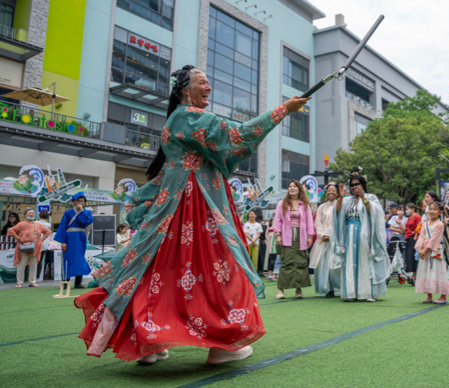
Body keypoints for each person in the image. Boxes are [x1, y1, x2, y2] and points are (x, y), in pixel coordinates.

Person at [73, 65, 310, 364]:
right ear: (185, 89)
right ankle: (224, 344)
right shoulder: (188, 115)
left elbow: (223, 147)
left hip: (176, 204)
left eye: (208, 82)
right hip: (196, 202)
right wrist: (284, 109)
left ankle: (151, 341)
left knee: (160, 270)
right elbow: (237, 136)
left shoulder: (179, 119)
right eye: (202, 82)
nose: (208, 87)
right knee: (218, 267)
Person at [333, 168, 391, 302]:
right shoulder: (347, 200)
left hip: (365, 234)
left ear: (362, 185)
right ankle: (351, 292)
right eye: (352, 185)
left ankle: (369, 292)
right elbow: (337, 215)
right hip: (350, 233)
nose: (354, 187)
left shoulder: (371, 197)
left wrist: (363, 197)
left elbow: (375, 214)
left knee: (366, 261)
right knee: (351, 262)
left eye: (357, 184)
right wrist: (340, 198)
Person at [272, 180, 314, 299]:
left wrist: (310, 236)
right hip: (286, 235)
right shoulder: (282, 203)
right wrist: (278, 234)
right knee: (286, 262)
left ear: (299, 189)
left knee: (300, 262)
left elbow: (310, 221)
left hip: (301, 236)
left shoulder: (305, 204)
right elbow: (278, 220)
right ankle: (280, 290)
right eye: (290, 186)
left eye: (294, 186)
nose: (292, 188)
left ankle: (298, 289)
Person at [414, 201, 449, 304]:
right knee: (426, 271)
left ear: (440, 212)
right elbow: (421, 236)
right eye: (430, 209)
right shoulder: (425, 224)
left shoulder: (440, 224)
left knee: (437, 270)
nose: (431, 211)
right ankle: (429, 295)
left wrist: (425, 250)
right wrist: (420, 249)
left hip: (435, 251)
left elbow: (434, 239)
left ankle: (443, 295)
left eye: (434, 209)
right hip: (425, 250)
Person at [54, 192, 93, 289]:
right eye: (78, 201)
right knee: (68, 258)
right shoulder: (68, 212)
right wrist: (63, 242)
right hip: (70, 237)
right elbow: (63, 226)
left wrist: (81, 211)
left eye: (82, 201)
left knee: (80, 259)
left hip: (80, 236)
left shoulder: (87, 213)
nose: (80, 202)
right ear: (74, 202)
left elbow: (85, 222)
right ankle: (65, 283)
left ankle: (78, 283)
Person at [309, 182, 341, 297]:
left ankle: (336, 287)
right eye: (329, 191)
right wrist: (321, 235)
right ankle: (326, 288)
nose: (331, 192)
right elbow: (317, 222)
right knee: (322, 264)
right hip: (323, 240)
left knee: (334, 265)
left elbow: (341, 223)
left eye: (333, 191)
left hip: (335, 239)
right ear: (326, 193)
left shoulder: (340, 205)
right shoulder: (322, 207)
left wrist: (333, 235)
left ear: (338, 193)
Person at [7, 208, 50, 288]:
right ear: (25, 215)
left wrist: (42, 239)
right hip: (23, 247)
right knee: (21, 264)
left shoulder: (38, 224)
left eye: (33, 213)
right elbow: (11, 231)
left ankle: (32, 282)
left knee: (34, 265)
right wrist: (18, 238)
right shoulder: (21, 224)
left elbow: (47, 231)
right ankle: (19, 282)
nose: (31, 214)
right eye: (30, 213)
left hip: (35, 247)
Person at [403, 203, 421, 285]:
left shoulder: (417, 217)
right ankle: (412, 275)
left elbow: (419, 227)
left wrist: (415, 234)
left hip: (413, 238)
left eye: (407, 209)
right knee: (408, 257)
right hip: (407, 238)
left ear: (412, 209)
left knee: (413, 257)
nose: (406, 211)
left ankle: (415, 275)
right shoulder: (409, 218)